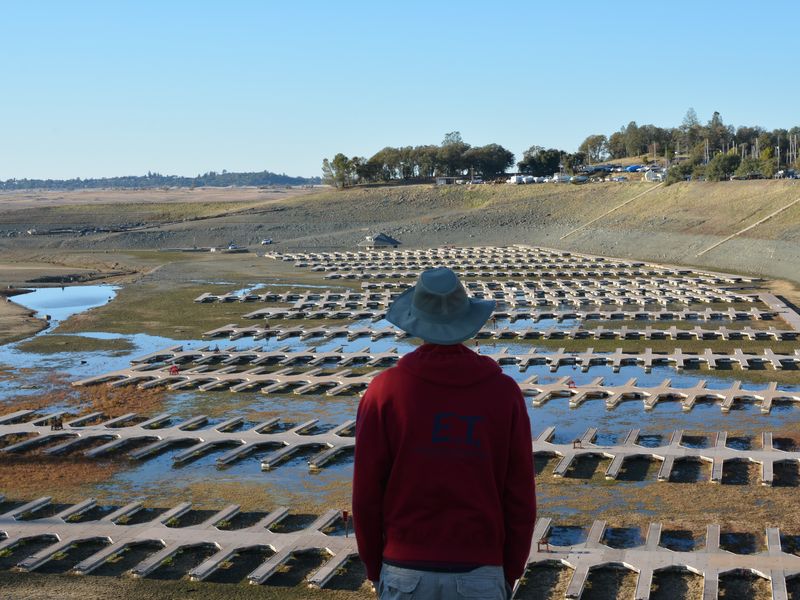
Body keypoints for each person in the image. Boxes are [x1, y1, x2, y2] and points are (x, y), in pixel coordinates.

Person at [353, 267, 536, 600]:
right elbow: (520, 497)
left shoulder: (384, 392)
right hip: (482, 571)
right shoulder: (503, 392)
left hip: (404, 568)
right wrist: (508, 572)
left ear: (416, 322)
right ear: (466, 322)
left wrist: (374, 568)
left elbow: (366, 494)